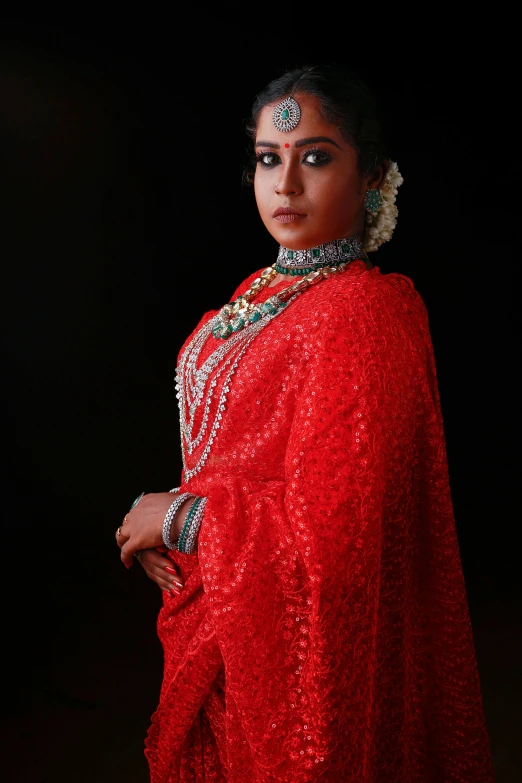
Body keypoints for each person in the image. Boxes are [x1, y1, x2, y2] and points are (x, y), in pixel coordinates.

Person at [115, 64, 496, 782]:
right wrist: (182, 532)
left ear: (374, 176)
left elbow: (340, 536)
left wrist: (182, 521)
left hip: (293, 665)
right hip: (228, 623)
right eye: (269, 159)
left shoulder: (363, 314)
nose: (286, 185)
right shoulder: (260, 293)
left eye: (315, 157)